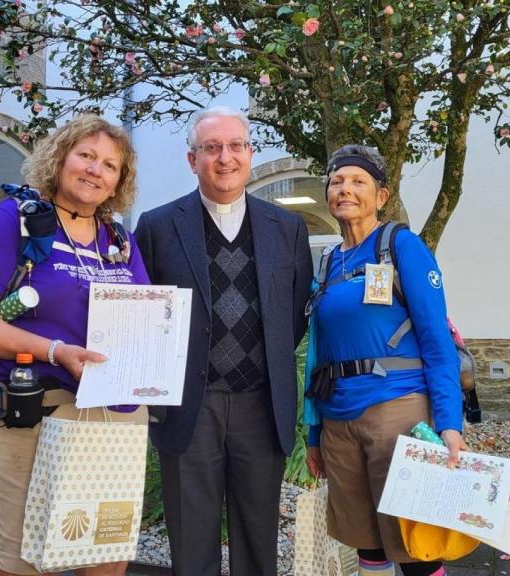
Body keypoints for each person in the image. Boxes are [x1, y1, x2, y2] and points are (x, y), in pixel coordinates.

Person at [0, 115, 149, 576]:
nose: (95, 170)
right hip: (35, 409)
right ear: (60, 159)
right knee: (28, 561)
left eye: (110, 165)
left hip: (114, 415)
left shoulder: (119, 239)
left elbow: (143, 317)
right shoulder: (16, 221)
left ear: (120, 180)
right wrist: (55, 350)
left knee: (106, 553)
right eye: (86, 156)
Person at [134, 107, 313, 575]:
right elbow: (143, 312)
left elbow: (294, 314)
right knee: (192, 544)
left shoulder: (288, 228)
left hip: (261, 405)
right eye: (211, 148)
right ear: (192, 159)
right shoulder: (157, 226)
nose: (225, 157)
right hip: (189, 407)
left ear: (250, 154)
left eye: (236, 146)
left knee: (258, 540)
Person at [304, 145, 467, 576]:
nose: (345, 189)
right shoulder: (327, 262)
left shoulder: (401, 247)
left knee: (416, 545)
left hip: (398, 412)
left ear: (381, 195)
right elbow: (317, 354)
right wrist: (315, 433)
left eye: (358, 181)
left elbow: (437, 341)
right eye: (337, 181)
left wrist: (449, 423)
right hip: (339, 419)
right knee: (367, 545)